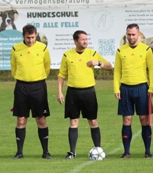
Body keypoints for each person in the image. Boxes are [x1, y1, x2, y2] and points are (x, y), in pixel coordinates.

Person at [56, 30, 112, 159]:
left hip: (88, 92)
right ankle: (72, 152)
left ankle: (98, 150)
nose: (85, 41)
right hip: (73, 92)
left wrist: (98, 63)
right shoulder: (67, 55)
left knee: (93, 121)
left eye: (86, 39)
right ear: (75, 41)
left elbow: (110, 66)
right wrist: (59, 92)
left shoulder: (92, 53)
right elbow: (61, 75)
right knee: (73, 121)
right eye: (82, 39)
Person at [114, 23, 153, 158]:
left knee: (144, 119)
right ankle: (126, 152)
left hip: (142, 88)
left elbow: (152, 69)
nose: (131, 37)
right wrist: (116, 88)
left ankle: (147, 151)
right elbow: (117, 71)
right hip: (125, 88)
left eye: (133, 34)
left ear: (138, 34)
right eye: (129, 34)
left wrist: (152, 87)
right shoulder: (120, 51)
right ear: (126, 35)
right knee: (127, 119)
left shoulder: (146, 50)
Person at [10, 24, 52, 159]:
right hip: (21, 87)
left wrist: (37, 78)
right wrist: (23, 78)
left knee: (41, 119)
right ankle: (19, 152)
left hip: (38, 87)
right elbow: (14, 67)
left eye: (33, 37)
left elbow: (47, 66)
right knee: (21, 119)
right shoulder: (16, 48)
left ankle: (45, 152)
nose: (30, 40)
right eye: (28, 38)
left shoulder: (43, 48)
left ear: (36, 36)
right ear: (23, 36)